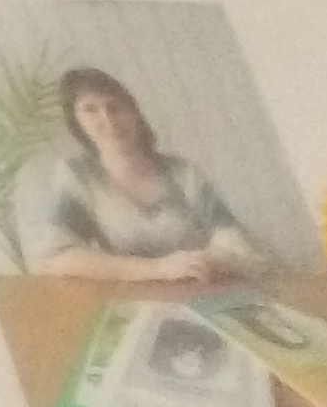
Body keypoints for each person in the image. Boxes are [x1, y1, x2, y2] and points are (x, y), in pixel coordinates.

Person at [23, 67, 263, 286]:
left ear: (134, 112)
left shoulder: (184, 173)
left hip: (203, 290)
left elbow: (237, 243)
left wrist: (208, 261)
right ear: (77, 123)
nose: (107, 119)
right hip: (134, 301)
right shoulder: (79, 175)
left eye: (114, 107)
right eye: (90, 109)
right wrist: (158, 269)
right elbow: (56, 257)